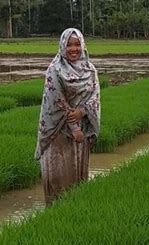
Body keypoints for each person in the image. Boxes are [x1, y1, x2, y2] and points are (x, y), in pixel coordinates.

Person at [35, 28, 100, 205]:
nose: (73, 49)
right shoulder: (54, 70)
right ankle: (54, 218)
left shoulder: (90, 69)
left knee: (76, 182)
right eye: (69, 45)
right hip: (58, 133)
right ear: (62, 46)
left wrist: (83, 112)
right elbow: (58, 101)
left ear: (83, 45)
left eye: (77, 44)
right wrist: (75, 128)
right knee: (59, 178)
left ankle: (74, 214)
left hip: (81, 135)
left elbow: (95, 96)